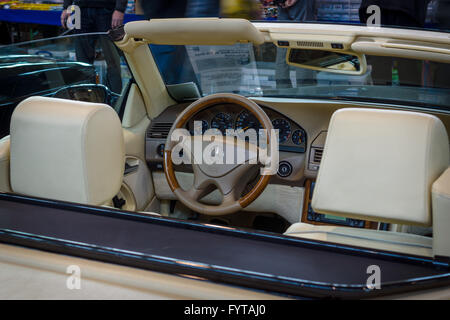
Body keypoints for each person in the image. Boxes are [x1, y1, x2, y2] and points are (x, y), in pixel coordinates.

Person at [60, 0, 126, 93]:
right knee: (82, 62)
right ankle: (87, 97)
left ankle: (115, 100)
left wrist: (120, 9)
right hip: (80, 11)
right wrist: (66, 6)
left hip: (107, 10)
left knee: (112, 60)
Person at [275, 0, 316, 88]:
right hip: (302, 6)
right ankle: (305, 94)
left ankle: (282, 93)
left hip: (283, 7)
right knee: (303, 51)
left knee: (283, 52)